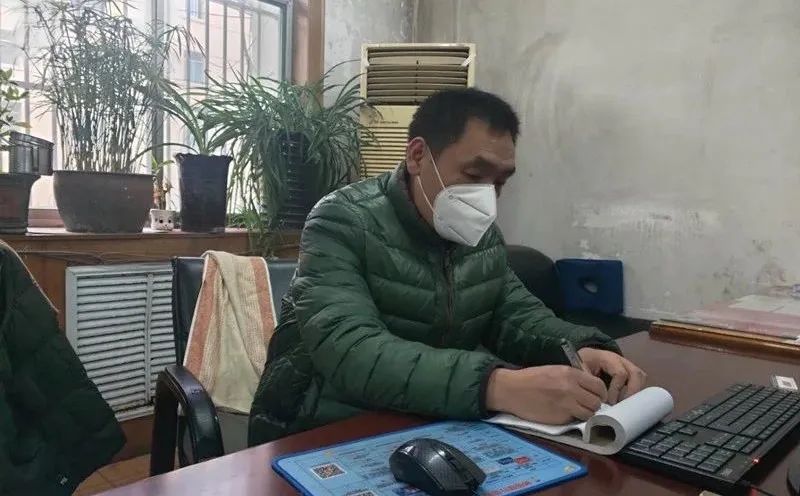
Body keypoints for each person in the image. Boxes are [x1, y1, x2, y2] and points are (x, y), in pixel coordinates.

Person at [248, 88, 646, 445]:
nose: (487, 197)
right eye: (474, 175)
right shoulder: (340, 221)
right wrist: (496, 386)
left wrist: (581, 348)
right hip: (322, 428)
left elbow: (517, 315)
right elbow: (353, 351)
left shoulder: (480, 234)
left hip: (430, 421)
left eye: (500, 182)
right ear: (417, 156)